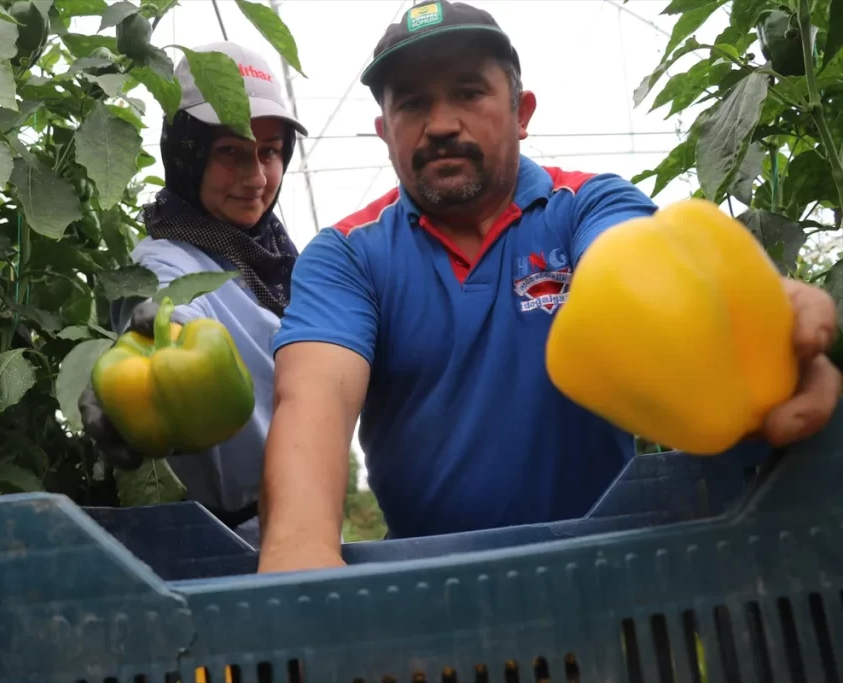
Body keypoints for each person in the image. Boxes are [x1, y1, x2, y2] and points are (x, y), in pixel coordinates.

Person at [256, 0, 842, 573]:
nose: (440, 124)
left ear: (521, 111)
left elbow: (634, 265)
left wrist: (754, 319)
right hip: (429, 582)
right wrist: (297, 555)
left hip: (611, 568)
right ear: (385, 131)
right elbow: (316, 398)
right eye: (412, 104)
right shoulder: (349, 254)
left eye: (468, 92)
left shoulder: (587, 203)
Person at [78, 41, 308, 548]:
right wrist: (158, 335)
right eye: (229, 152)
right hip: (228, 546)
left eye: (269, 151)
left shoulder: (279, 259)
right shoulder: (165, 258)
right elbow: (166, 308)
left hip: (308, 523)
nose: (256, 178)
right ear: (187, 153)